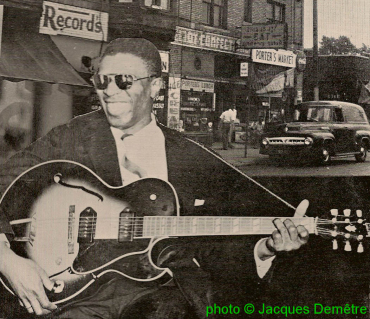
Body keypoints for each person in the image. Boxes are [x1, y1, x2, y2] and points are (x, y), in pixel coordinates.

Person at [0, 38, 309, 319]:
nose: (109, 90)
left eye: (123, 81)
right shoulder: (72, 137)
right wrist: (6, 259)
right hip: (80, 297)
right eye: (102, 80)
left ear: (154, 88)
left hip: (161, 300)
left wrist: (266, 247)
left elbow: (208, 247)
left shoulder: (190, 156)